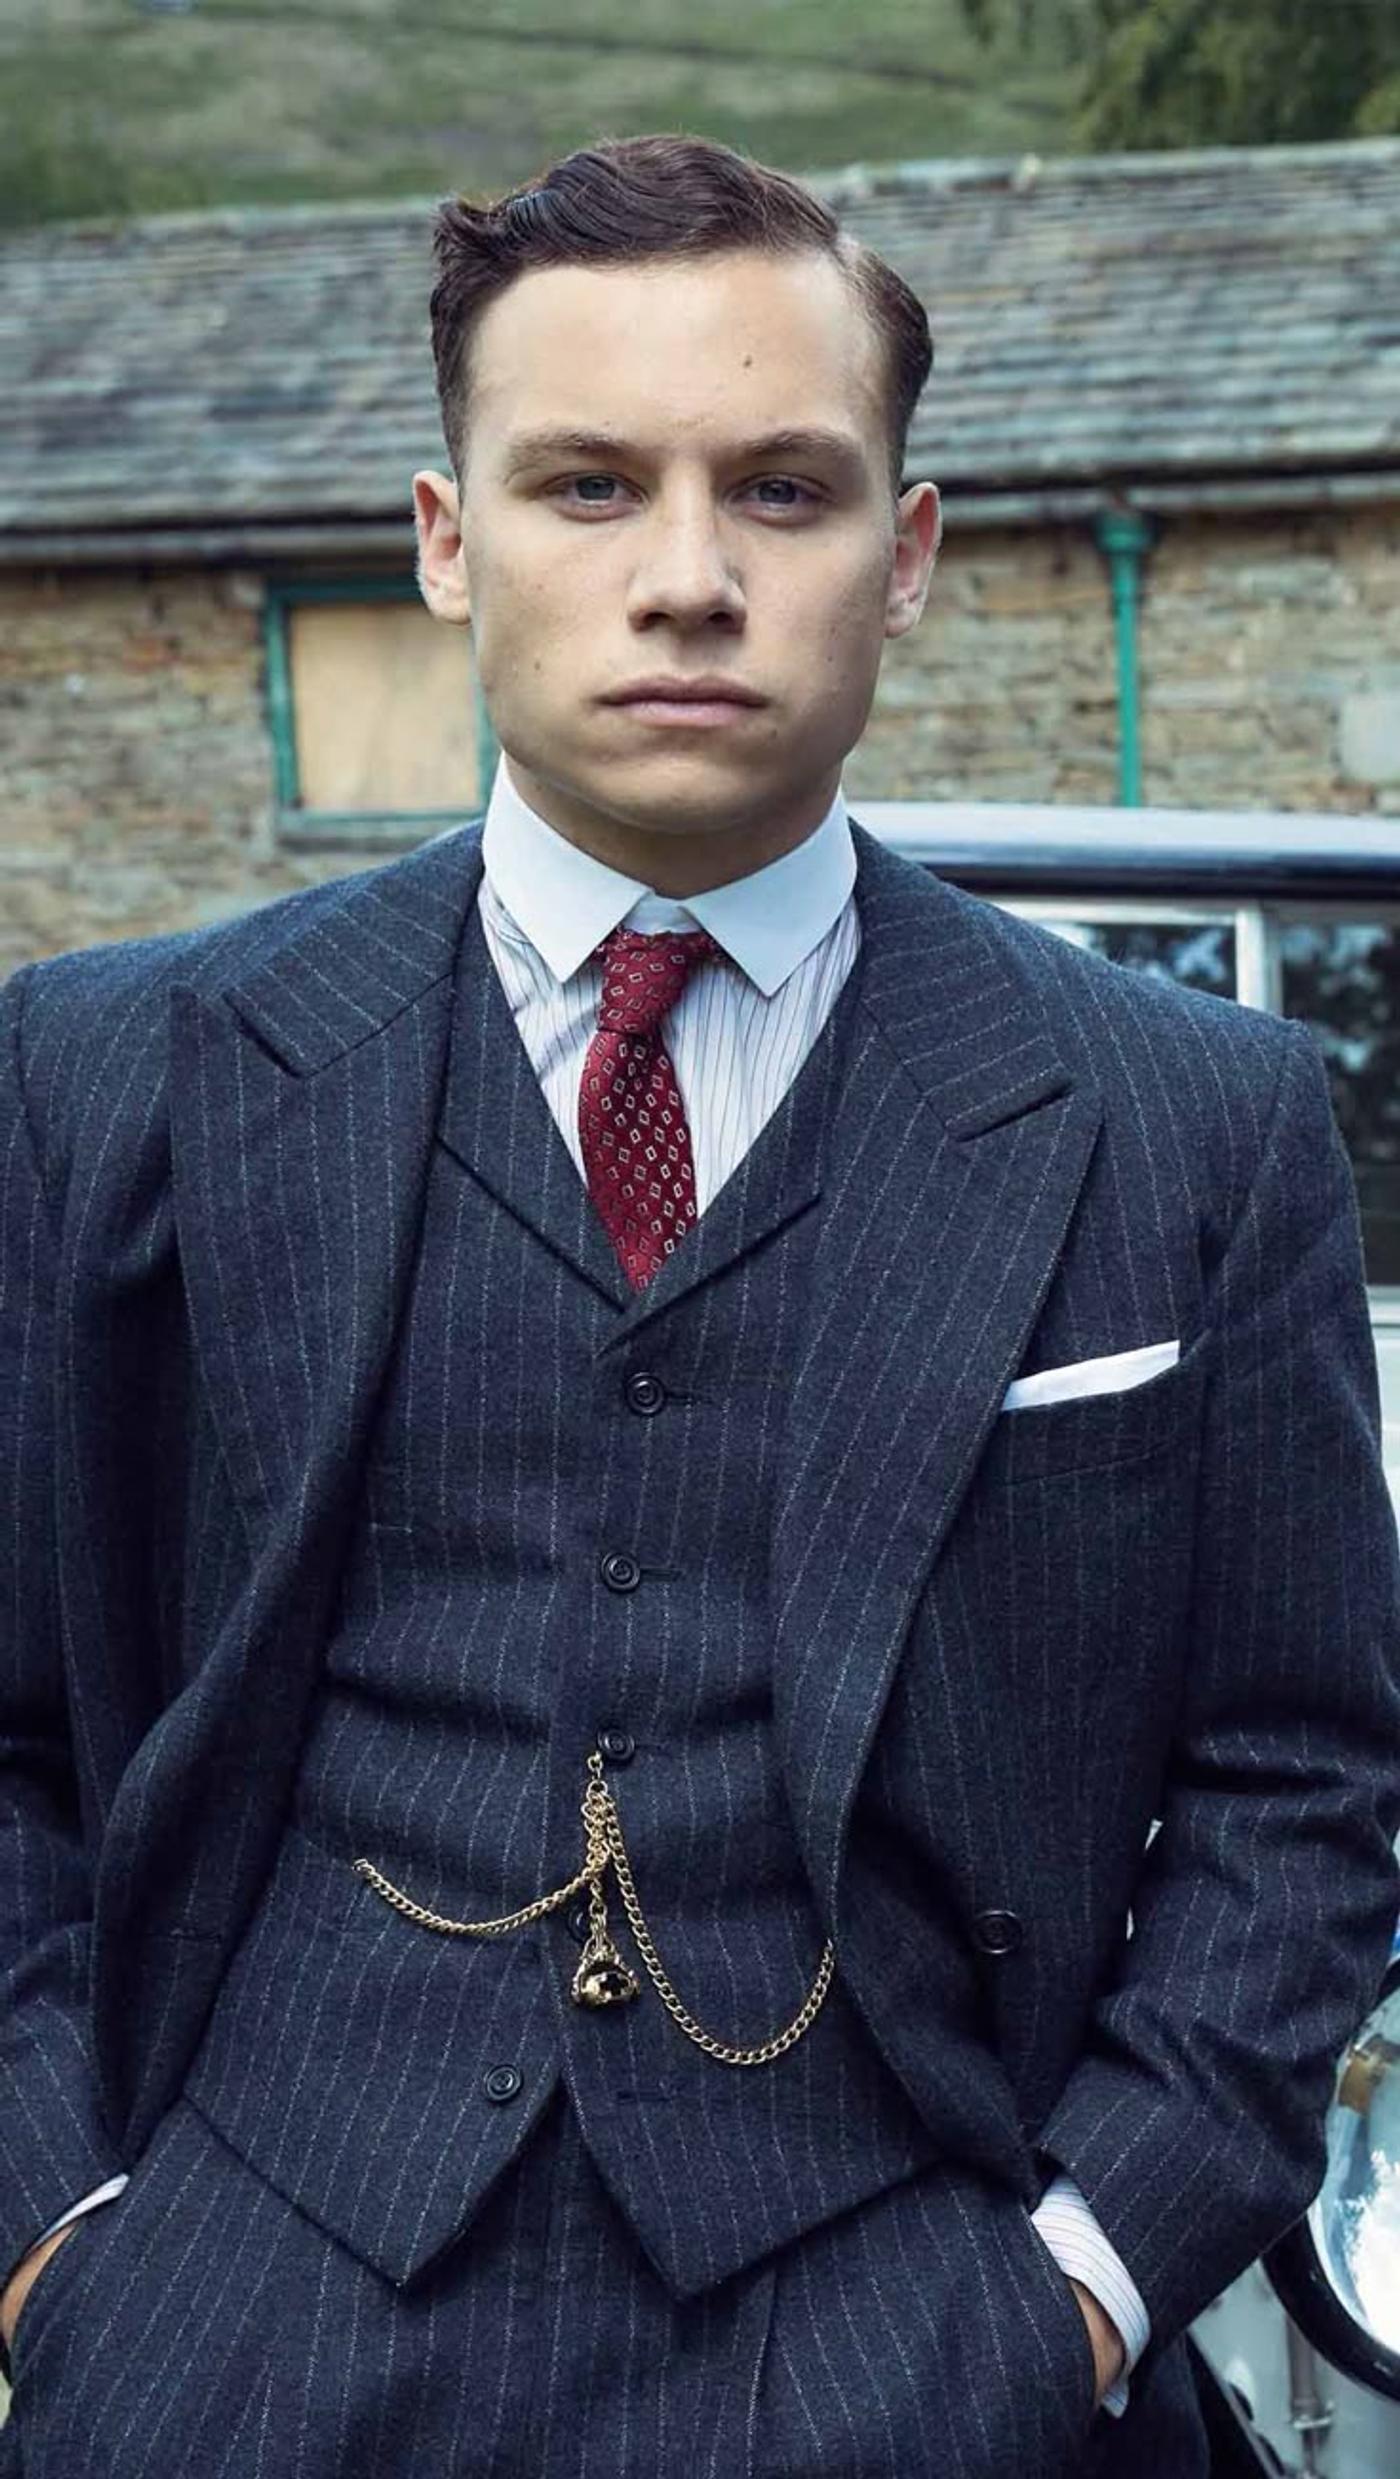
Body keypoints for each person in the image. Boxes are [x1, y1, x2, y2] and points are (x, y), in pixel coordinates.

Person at [1, 130, 1397, 2479]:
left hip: (926, 2324)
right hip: (235, 2327)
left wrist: (1084, 2281)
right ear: (446, 546)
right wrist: (60, 2238)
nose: (683, 578)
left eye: (779, 487)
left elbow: (1306, 1786)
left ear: (907, 553)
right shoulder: (105, 1074)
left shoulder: (1197, 1122)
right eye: (580, 484)